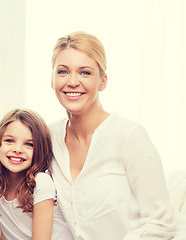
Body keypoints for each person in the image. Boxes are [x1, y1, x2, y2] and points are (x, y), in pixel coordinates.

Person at [49, 31, 176, 239]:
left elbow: (161, 224)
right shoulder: (49, 137)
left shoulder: (130, 137)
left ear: (103, 81)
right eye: (62, 72)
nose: (72, 82)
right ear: (52, 80)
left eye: (85, 73)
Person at [0, 109, 74, 240]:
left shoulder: (41, 183)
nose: (17, 149)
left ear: (40, 150)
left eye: (29, 144)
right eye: (9, 140)